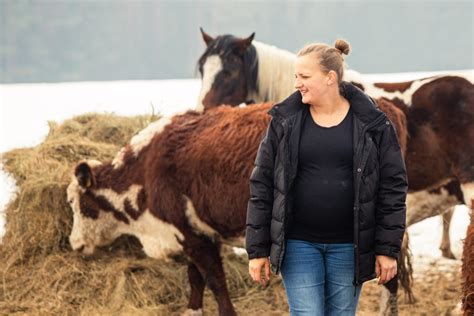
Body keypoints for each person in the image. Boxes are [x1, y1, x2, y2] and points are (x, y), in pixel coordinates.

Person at [245, 39, 408, 315]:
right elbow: (262, 185)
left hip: (349, 247)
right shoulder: (284, 122)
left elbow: (393, 188)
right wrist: (257, 250)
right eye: (296, 76)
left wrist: (387, 249)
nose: (297, 83)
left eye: (305, 76)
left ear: (330, 78)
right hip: (298, 245)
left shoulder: (373, 124)